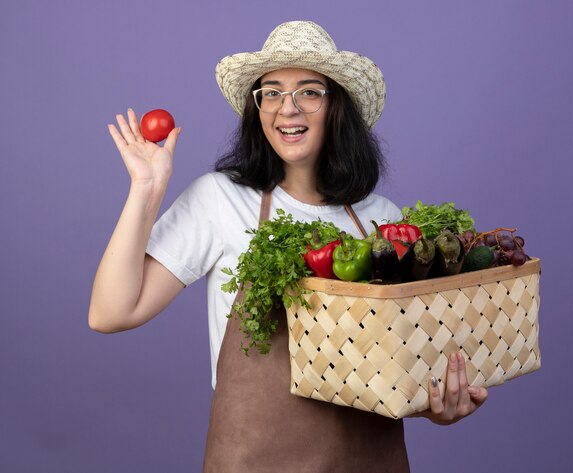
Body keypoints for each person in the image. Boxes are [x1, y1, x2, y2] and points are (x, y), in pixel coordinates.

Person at [89, 20, 488, 472]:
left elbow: (394, 371)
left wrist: (437, 406)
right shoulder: (219, 200)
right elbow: (110, 313)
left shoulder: (386, 222)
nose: (287, 109)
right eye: (271, 92)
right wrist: (146, 188)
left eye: (309, 92)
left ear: (337, 104)